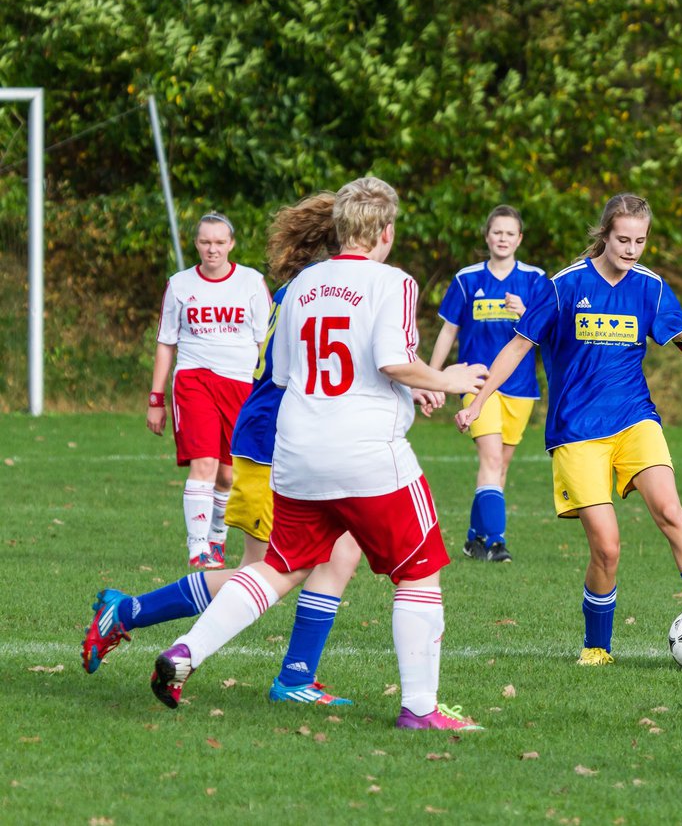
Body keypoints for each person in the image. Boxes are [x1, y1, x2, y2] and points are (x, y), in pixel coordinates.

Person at [148, 176, 489, 732]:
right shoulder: (394, 282)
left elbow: (286, 373)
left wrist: (411, 381)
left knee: (278, 567)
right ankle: (421, 710)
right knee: (419, 575)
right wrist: (445, 379)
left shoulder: (301, 286)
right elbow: (392, 360)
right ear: (385, 231)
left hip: (298, 453)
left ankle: (185, 652)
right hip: (368, 457)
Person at [455, 193, 682, 666]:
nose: (631, 249)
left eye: (640, 241)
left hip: (635, 420)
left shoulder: (650, 288)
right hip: (576, 430)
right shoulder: (564, 286)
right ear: (604, 234)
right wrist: (478, 400)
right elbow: (518, 346)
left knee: (672, 512)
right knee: (608, 548)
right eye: (623, 239)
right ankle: (597, 647)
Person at [83, 193, 375, 707]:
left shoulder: (306, 290)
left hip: (289, 440)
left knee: (339, 552)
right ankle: (129, 614)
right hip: (279, 447)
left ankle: (296, 675)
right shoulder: (315, 293)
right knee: (267, 571)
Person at [428, 205, 552, 563]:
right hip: (477, 383)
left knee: (500, 467)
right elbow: (448, 330)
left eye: (510, 233)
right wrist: (434, 379)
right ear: (487, 236)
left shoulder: (534, 279)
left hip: (521, 386)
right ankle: (497, 542)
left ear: (519, 239)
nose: (503, 238)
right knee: (491, 458)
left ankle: (473, 539)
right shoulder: (467, 279)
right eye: (497, 232)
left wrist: (525, 313)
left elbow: (549, 332)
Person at [147, 212, 270, 568]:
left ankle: (217, 535)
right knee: (203, 463)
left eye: (219, 242)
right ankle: (198, 548)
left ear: (231, 244)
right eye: (205, 242)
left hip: (241, 385)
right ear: (196, 244)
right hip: (194, 381)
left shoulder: (251, 282)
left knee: (229, 472)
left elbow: (265, 340)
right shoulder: (180, 285)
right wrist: (156, 399)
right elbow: (165, 343)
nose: (212, 249)